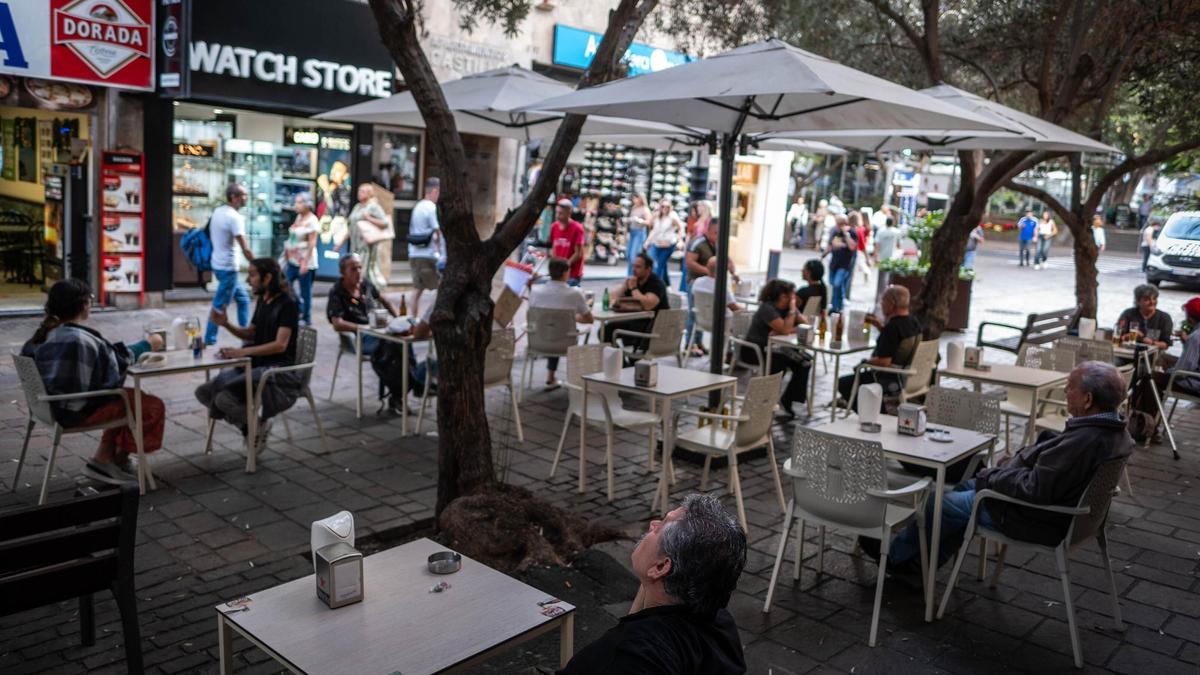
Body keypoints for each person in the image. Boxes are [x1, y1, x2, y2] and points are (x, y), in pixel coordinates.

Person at [870, 361, 1133, 572]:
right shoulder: (1115, 432)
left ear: (1087, 399)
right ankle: (921, 564)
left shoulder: (1085, 440)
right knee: (960, 488)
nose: (1065, 392)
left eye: (1070, 387)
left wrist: (994, 476)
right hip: (1066, 514)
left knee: (936, 503)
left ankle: (896, 559)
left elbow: (1035, 490)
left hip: (1032, 516)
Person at [557, 493, 747, 675]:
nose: (652, 524)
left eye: (660, 527)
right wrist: (649, 577)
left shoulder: (632, 656)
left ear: (662, 566)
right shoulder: (720, 623)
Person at [21, 279, 166, 484]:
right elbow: (116, 362)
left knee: (128, 399)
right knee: (149, 406)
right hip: (72, 412)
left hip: (44, 408)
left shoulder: (40, 336)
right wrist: (147, 344)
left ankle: (107, 460)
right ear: (83, 305)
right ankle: (110, 460)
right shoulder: (77, 339)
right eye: (90, 299)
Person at [197, 258, 302, 448]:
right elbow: (252, 332)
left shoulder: (288, 303)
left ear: (268, 277)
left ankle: (256, 422)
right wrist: (226, 324)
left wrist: (241, 352)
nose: (248, 280)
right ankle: (251, 427)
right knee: (204, 392)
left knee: (222, 399)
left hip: (276, 370)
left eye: (252, 275)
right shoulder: (263, 300)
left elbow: (280, 345)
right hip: (255, 363)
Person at [837, 285, 921, 409]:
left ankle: (870, 412)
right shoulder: (913, 322)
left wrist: (864, 363)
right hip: (907, 376)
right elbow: (896, 342)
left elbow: (884, 362)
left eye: (883, 300)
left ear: (892, 304)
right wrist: (879, 325)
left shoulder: (892, 328)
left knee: (844, 383)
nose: (881, 304)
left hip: (889, 379)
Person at [742, 279, 811, 417]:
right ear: (781, 296)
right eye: (791, 295)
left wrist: (792, 318)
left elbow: (805, 324)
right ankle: (766, 401)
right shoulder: (767, 308)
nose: (793, 298)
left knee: (805, 362)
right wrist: (790, 322)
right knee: (780, 363)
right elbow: (785, 329)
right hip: (755, 350)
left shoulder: (786, 309)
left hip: (776, 348)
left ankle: (788, 398)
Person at [529, 257, 593, 388]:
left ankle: (550, 377)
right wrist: (572, 317)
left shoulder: (535, 291)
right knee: (561, 330)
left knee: (554, 327)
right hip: (565, 344)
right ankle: (578, 380)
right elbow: (589, 319)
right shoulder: (575, 293)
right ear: (565, 273)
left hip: (539, 342)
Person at [204, 182, 254, 345]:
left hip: (218, 265)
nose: (246, 198)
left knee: (243, 299)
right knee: (219, 306)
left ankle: (245, 333)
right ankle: (209, 339)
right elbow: (245, 247)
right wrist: (256, 264)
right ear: (234, 197)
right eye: (243, 195)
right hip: (228, 268)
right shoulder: (235, 217)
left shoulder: (218, 211)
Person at [327, 253, 400, 357]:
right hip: (358, 338)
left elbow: (384, 299)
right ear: (343, 272)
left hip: (376, 330)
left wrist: (399, 319)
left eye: (360, 268)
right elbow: (337, 324)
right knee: (392, 344)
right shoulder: (337, 292)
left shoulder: (365, 284)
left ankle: (409, 371)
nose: (358, 272)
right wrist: (363, 328)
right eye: (353, 269)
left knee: (401, 338)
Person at [603, 252, 670, 347]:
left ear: (648, 270)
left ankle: (623, 360)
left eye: (638, 267)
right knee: (605, 330)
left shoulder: (656, 283)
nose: (634, 270)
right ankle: (620, 360)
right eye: (633, 266)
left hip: (652, 327)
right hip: (636, 321)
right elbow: (611, 298)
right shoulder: (634, 280)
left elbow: (648, 305)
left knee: (621, 334)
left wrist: (634, 288)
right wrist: (624, 287)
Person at [684, 217, 721, 353]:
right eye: (716, 232)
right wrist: (708, 271)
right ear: (709, 229)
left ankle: (698, 343)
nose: (717, 236)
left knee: (704, 313)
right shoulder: (698, 242)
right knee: (694, 313)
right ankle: (689, 344)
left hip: (708, 284)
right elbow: (689, 262)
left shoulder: (717, 244)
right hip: (695, 284)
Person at [348, 182, 393, 292]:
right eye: (359, 191)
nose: (359, 193)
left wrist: (369, 218)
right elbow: (350, 225)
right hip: (355, 245)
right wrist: (339, 244)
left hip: (367, 246)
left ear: (369, 193)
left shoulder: (373, 206)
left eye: (362, 191)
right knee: (357, 271)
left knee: (365, 272)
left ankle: (372, 295)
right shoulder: (357, 207)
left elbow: (385, 223)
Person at [283, 192, 319, 327]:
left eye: (299, 202)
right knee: (286, 285)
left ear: (307, 204)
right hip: (293, 260)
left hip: (305, 261)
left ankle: (306, 317)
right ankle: (299, 310)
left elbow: (312, 243)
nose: (296, 205)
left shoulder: (312, 220)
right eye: (296, 202)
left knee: (305, 291)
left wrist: (305, 262)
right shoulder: (298, 217)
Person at [408, 177, 441, 316]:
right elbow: (438, 231)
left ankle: (413, 319)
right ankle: (428, 319)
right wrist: (440, 251)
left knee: (418, 289)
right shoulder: (431, 208)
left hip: (414, 254)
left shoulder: (418, 206)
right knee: (440, 290)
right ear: (434, 191)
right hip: (427, 255)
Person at [1159, 297, 1200, 396]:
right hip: (1195, 376)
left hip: (1195, 383)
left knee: (1149, 378)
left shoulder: (1196, 336)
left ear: (1190, 317)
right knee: (1165, 359)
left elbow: (1183, 371)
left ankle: (1147, 411)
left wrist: (1167, 371)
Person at [1118, 284, 1173, 352]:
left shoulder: (1164, 318)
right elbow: (1117, 336)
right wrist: (1129, 336)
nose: (1152, 302)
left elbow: (1166, 344)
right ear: (1138, 301)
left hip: (1153, 357)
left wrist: (1150, 342)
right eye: (1147, 300)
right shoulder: (1128, 314)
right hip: (1127, 353)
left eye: (1154, 299)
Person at [645, 199, 684, 285]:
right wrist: (647, 242)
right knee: (652, 262)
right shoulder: (656, 216)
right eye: (662, 206)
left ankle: (655, 285)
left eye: (667, 206)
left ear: (670, 207)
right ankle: (665, 283)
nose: (664, 208)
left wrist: (679, 240)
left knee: (659, 265)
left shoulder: (673, 217)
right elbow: (653, 230)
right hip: (656, 243)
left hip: (668, 245)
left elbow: (680, 228)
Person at [824, 215, 857, 313]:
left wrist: (846, 234)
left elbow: (852, 247)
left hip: (844, 264)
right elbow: (830, 245)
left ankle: (837, 306)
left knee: (837, 284)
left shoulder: (852, 233)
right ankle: (836, 306)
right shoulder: (835, 232)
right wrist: (823, 255)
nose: (838, 227)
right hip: (834, 263)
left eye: (840, 224)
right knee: (834, 284)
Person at [550, 198, 587, 286]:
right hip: (558, 274)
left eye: (561, 213)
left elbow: (578, 253)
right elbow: (554, 248)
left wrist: (565, 266)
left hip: (572, 274)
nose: (558, 216)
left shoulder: (577, 228)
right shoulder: (554, 227)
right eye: (557, 213)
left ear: (569, 213)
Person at [625, 193, 651, 276]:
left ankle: (634, 275)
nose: (634, 200)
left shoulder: (645, 209)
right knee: (629, 254)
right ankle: (630, 275)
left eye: (636, 198)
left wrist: (639, 220)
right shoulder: (634, 208)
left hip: (639, 232)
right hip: (632, 232)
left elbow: (649, 222)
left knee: (634, 255)